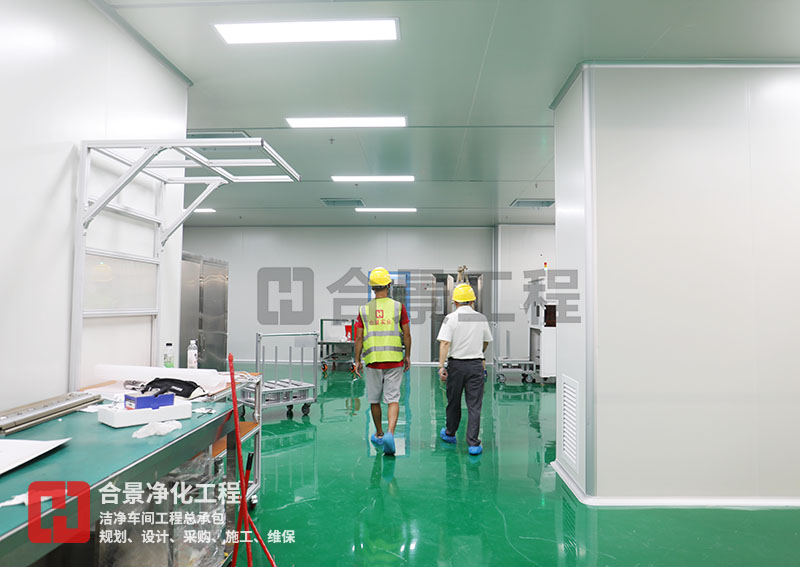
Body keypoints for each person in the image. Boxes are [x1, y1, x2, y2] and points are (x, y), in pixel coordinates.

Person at [354, 267, 411, 455]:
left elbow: (359, 337)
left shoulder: (364, 310)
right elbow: (407, 334)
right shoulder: (398, 307)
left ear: (372, 288)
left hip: (373, 361)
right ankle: (390, 433)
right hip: (394, 360)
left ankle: (379, 433)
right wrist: (407, 355)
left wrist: (357, 360)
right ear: (389, 285)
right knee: (393, 399)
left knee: (374, 400)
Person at [437, 283, 492, 455]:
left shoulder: (450, 318)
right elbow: (486, 341)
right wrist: (478, 352)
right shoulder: (481, 318)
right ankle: (473, 444)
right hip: (475, 365)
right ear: (472, 301)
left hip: (456, 366)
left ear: (455, 302)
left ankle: (450, 433)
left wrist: (441, 366)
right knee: (474, 405)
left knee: (453, 401)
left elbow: (445, 343)